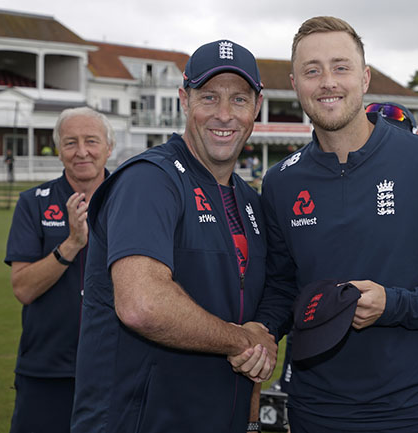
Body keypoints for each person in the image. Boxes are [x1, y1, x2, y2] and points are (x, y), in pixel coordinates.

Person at [231, 16, 418, 433]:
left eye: (340, 67)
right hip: (317, 412)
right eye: (313, 70)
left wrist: (396, 304)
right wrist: (262, 328)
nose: (327, 81)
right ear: (294, 84)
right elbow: (283, 286)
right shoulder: (281, 182)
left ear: (363, 78)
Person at [70, 40, 276, 433]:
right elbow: (142, 304)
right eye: (209, 97)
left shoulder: (248, 199)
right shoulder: (149, 180)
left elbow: (256, 311)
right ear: (184, 99)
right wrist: (240, 341)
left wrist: (250, 418)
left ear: (257, 106)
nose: (224, 115)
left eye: (238, 99)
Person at [4, 106, 114, 433]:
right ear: (59, 151)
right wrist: (71, 244)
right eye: (70, 143)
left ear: (109, 147)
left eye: (91, 141)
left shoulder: (131, 200)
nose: (81, 151)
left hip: (115, 369)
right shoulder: (33, 202)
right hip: (46, 370)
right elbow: (23, 288)